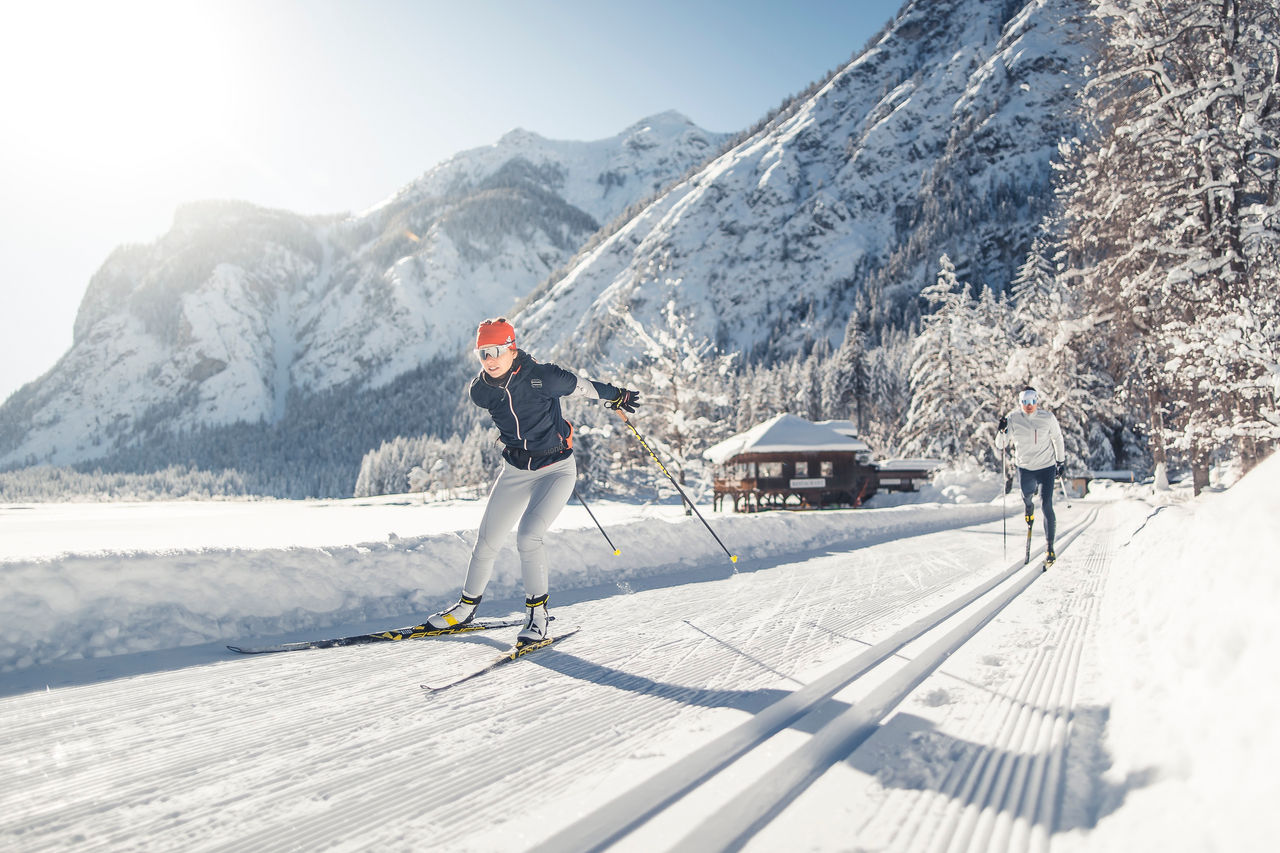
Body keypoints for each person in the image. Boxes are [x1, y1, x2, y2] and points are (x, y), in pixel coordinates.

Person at [426, 317, 641, 646]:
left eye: (497, 350)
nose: (490, 359)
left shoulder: (544, 377)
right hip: (515, 471)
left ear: (512, 348)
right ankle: (465, 609)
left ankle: (537, 615)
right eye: (483, 353)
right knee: (486, 541)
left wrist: (617, 395)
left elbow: (584, 387)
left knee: (528, 536)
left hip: (555, 470)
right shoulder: (481, 391)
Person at [995, 386, 1066, 563]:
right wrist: (1001, 430)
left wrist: (1060, 461)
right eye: (1025, 402)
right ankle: (1028, 507)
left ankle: (1049, 547)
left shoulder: (1047, 418)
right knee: (1027, 495)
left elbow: (1057, 438)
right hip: (1025, 468)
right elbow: (1001, 444)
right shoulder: (1013, 418)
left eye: (1032, 401)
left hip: (1046, 467)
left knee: (1047, 504)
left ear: (1037, 401)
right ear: (1021, 403)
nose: (1029, 405)